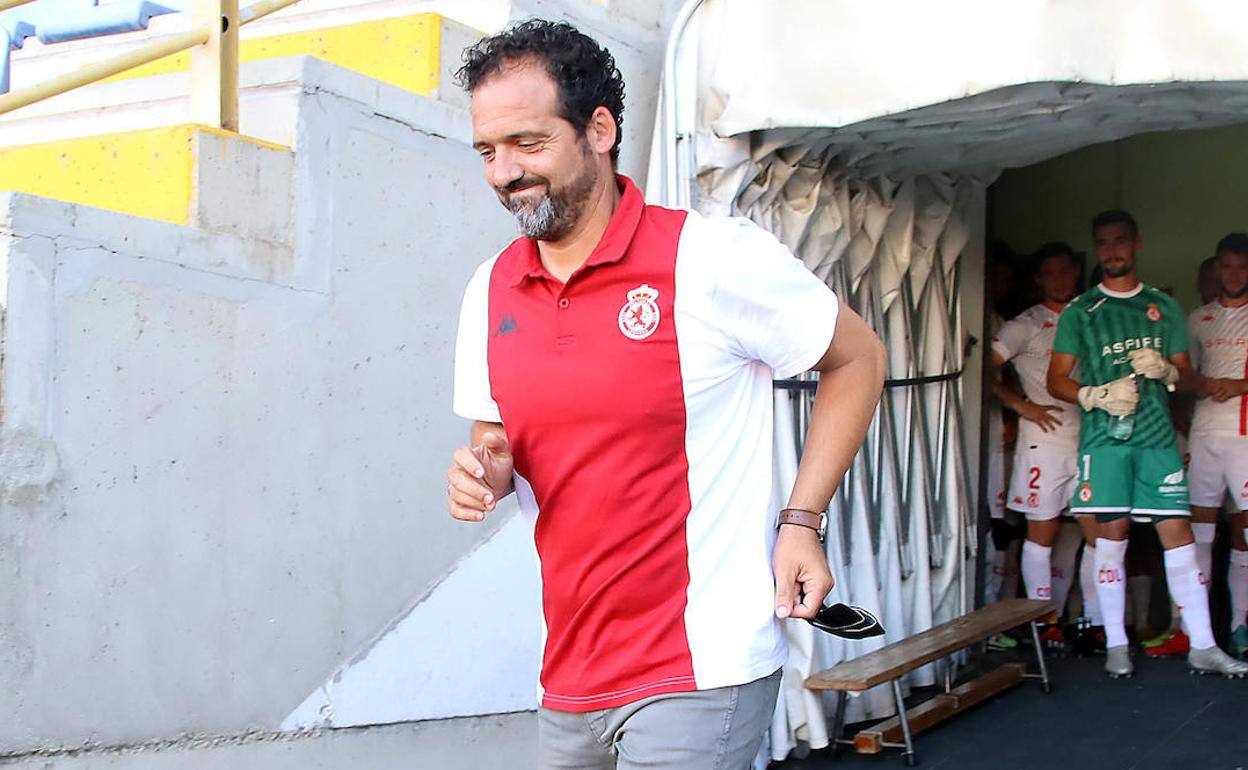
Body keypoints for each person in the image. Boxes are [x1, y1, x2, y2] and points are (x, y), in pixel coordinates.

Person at [445, 20, 887, 769]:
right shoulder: (490, 289)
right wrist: (484, 470)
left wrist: (801, 520)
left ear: (600, 129)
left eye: (527, 143)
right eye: (488, 151)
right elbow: (498, 438)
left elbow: (859, 357)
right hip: (570, 672)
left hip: (699, 666)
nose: (503, 171)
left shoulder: (710, 259)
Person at [1045, 209, 1247, 679]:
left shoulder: (1164, 307)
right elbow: (1056, 380)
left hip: (1157, 439)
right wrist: (1093, 394)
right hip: (1105, 440)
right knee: (1110, 539)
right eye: (1104, 243)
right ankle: (1117, 644)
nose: (1112, 250)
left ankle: (1203, 644)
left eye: (1120, 241)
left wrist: (1171, 371)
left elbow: (1191, 375)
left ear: (1136, 243)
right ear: (1098, 249)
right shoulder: (1082, 311)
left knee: (1179, 537)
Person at [991, 243, 1102, 650]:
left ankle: (1094, 620)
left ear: (1076, 272)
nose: (1060, 279)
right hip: (1045, 440)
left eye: (1066, 271)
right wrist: (1021, 405)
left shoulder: (1094, 315)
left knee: (1098, 531)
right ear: (1038, 280)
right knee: (1044, 530)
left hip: (1092, 436)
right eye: (1050, 273)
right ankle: (1043, 622)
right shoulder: (1025, 324)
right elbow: (981, 369)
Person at [1187, 234, 1248, 658]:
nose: (1233, 274)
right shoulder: (1197, 320)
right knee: (1199, 534)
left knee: (1245, 533)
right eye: (1227, 266)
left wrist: (1240, 384)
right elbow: (1181, 376)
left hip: (1245, 436)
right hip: (1203, 434)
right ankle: (1199, 631)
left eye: (1242, 266)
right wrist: (1201, 383)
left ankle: (1240, 626)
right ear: (1216, 268)